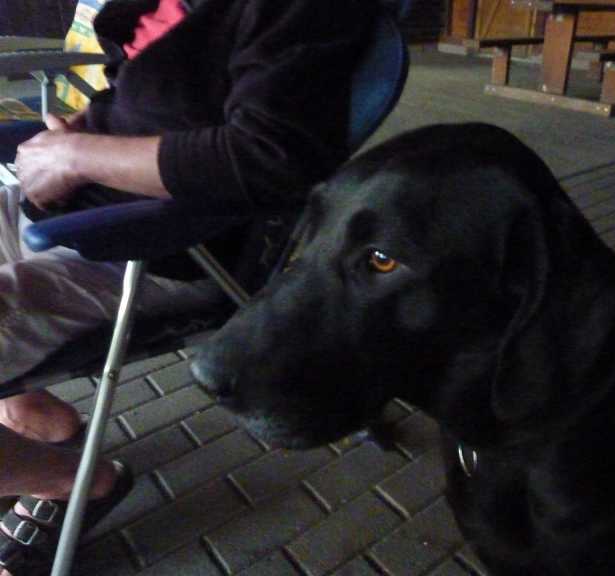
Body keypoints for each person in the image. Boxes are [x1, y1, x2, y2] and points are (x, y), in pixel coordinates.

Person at [0, 0, 379, 573]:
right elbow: (151, 101)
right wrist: (79, 133)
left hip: (154, 248)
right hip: (58, 205)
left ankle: (74, 481)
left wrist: (77, 155)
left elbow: (270, 157)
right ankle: (32, 415)